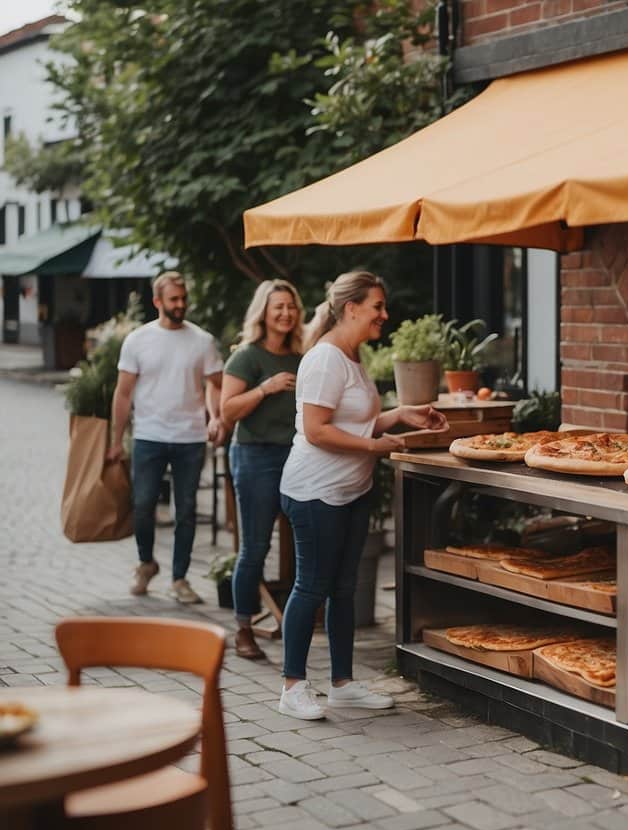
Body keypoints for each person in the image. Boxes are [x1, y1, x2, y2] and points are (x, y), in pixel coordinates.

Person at [277, 270, 448, 720]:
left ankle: (342, 684)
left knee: (344, 589)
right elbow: (316, 431)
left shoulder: (352, 357)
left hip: (352, 490)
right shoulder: (325, 359)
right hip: (316, 492)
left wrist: (401, 415)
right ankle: (293, 686)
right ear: (351, 308)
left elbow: (354, 420)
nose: (384, 315)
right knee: (311, 586)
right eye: (377, 307)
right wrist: (374, 446)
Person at [107, 271, 226, 603]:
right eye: (173, 299)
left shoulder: (202, 340)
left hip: (190, 437)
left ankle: (180, 578)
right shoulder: (138, 340)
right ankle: (146, 563)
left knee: (185, 510)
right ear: (157, 301)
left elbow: (216, 383)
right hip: (149, 435)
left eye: (183, 298)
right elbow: (123, 393)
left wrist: (216, 417)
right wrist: (117, 441)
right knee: (142, 505)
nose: (180, 305)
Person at [219, 279, 305, 660]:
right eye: (278, 307)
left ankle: (296, 620)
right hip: (255, 457)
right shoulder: (246, 357)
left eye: (291, 306)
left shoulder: (303, 356)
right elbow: (227, 411)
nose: (285, 313)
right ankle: (242, 630)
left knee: (306, 540)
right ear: (264, 313)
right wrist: (265, 389)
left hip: (298, 457)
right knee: (255, 547)